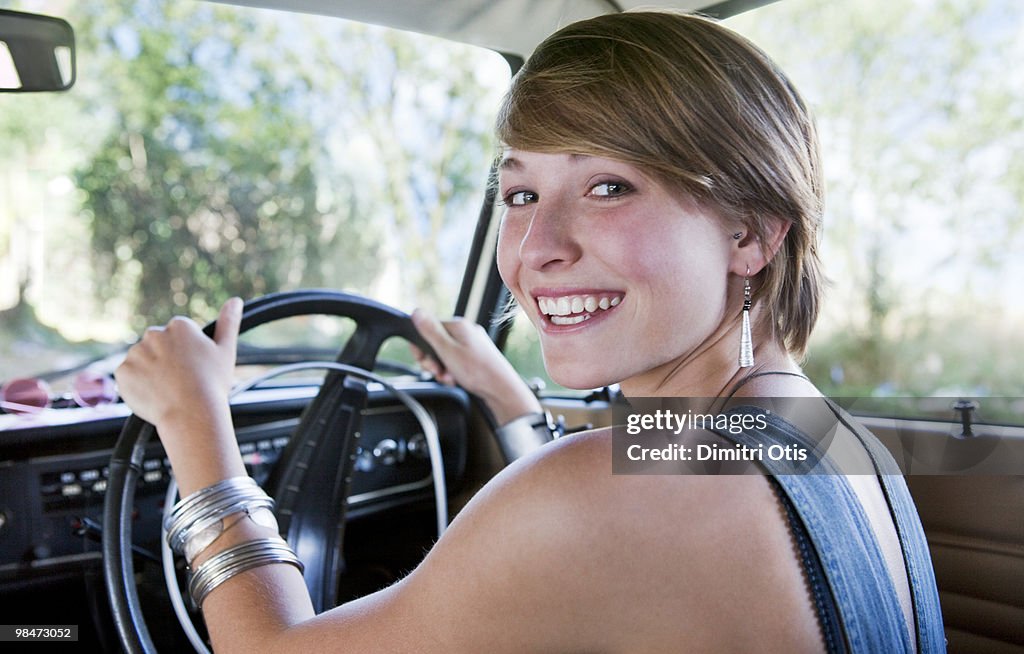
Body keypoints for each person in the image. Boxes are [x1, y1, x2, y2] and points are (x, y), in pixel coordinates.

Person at [115, 11, 944, 653]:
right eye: (519, 196)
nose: (538, 249)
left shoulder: (600, 498)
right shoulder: (836, 441)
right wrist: (511, 402)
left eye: (611, 186)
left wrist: (195, 421)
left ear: (751, 234)